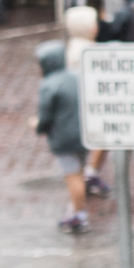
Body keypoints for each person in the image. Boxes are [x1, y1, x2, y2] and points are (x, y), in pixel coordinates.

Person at [33, 39, 88, 233]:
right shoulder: (76, 77)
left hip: (64, 138)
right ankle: (79, 211)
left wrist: (39, 127)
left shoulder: (48, 85)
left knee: (72, 175)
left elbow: (45, 116)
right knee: (79, 172)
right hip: (84, 133)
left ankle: (78, 215)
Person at [63, 4, 112, 198]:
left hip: (90, 104)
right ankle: (89, 175)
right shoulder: (81, 52)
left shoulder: (84, 46)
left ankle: (90, 173)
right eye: (93, 23)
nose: (97, 27)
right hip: (88, 106)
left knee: (101, 141)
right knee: (99, 140)